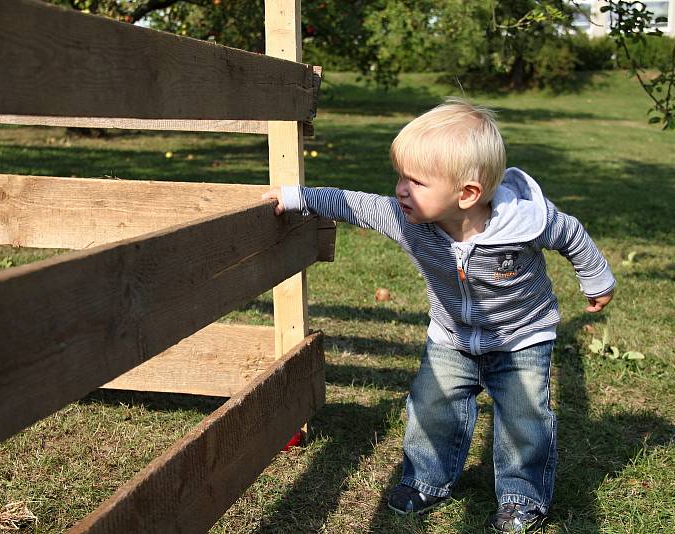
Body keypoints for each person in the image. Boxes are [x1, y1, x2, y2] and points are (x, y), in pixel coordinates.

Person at [262, 98, 615, 533]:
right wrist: (296, 196)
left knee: (525, 418)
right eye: (400, 177)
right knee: (431, 407)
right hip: (452, 337)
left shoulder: (527, 222)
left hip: (522, 336)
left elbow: (573, 235)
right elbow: (351, 203)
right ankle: (427, 480)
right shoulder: (406, 219)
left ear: (467, 194)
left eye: (416, 182)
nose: (400, 190)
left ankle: (522, 498)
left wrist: (597, 279)